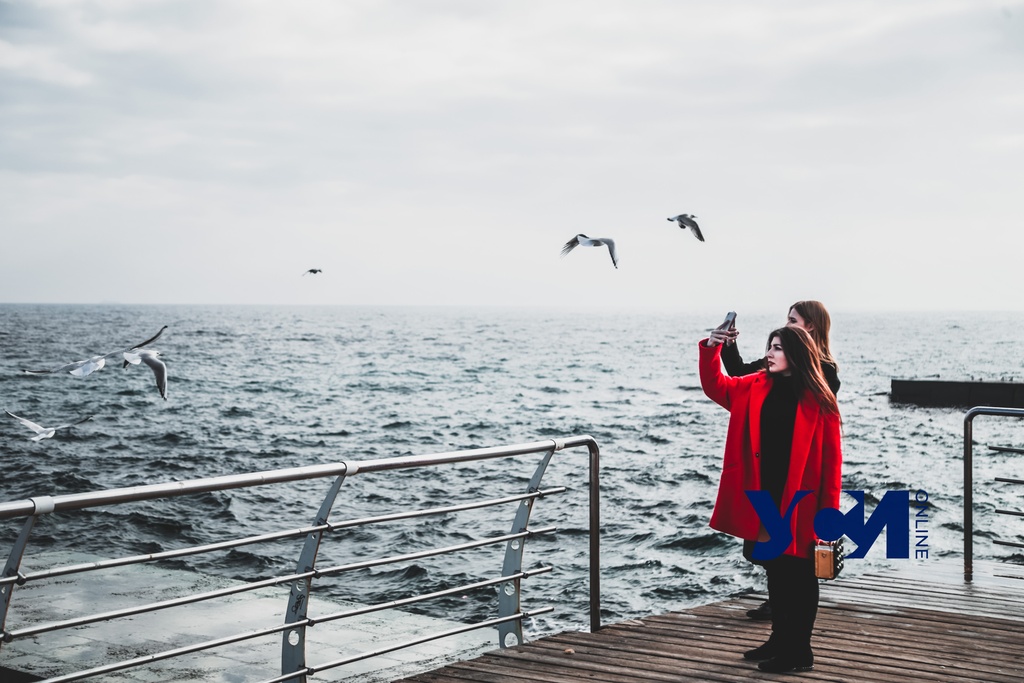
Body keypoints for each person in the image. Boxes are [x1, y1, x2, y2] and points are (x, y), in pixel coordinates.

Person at [699, 326, 842, 673]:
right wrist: (711, 349)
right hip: (763, 499)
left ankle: (799, 652)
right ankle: (780, 640)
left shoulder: (819, 398)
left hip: (801, 503)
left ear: (796, 353)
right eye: (769, 347)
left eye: (777, 348)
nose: (769, 353)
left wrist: (829, 518)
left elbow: (831, 464)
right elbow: (715, 385)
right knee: (777, 572)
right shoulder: (753, 385)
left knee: (802, 577)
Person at [710, 300, 840, 396]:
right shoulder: (779, 358)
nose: (787, 325)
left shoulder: (826, 369)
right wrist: (729, 342)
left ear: (810, 326)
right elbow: (739, 373)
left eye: (792, 321)